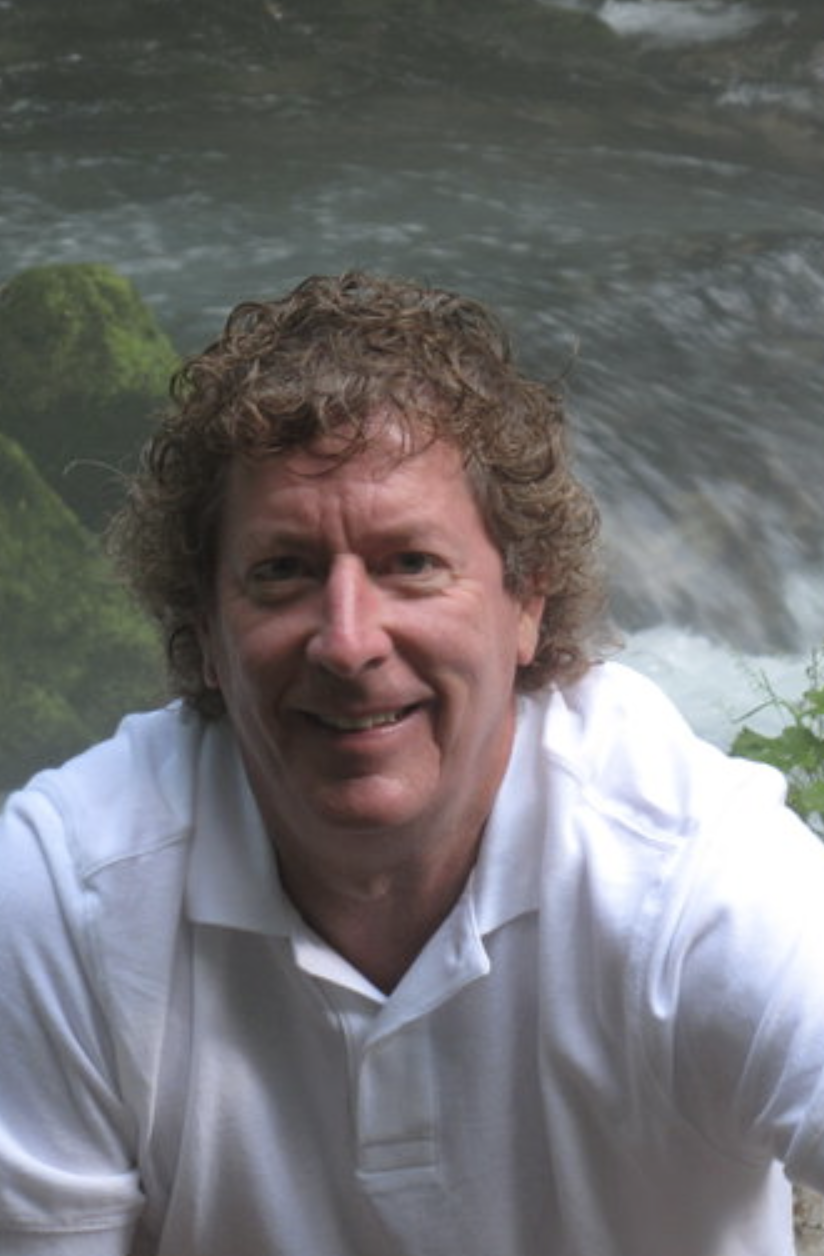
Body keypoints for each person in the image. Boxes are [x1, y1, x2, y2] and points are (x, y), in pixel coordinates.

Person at [1, 271, 823, 1256]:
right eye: (283, 571)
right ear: (205, 632)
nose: (347, 641)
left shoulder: (688, 873)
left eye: (409, 563)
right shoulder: (66, 894)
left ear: (525, 601)